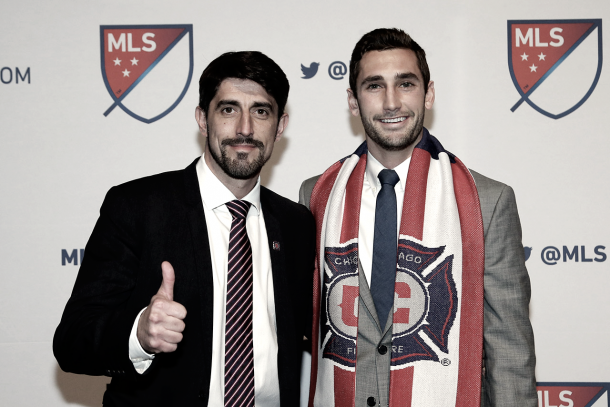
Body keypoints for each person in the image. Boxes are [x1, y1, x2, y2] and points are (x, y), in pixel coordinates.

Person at [54, 51, 315, 406]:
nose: (244, 128)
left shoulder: (296, 224)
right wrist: (139, 334)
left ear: (280, 125)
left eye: (260, 111)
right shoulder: (137, 206)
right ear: (202, 119)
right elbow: (72, 342)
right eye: (228, 109)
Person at [300, 28, 537, 407]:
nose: (391, 102)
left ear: (428, 93)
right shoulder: (317, 196)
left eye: (405, 84)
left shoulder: (486, 202)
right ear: (352, 100)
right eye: (374, 86)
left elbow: (510, 355)